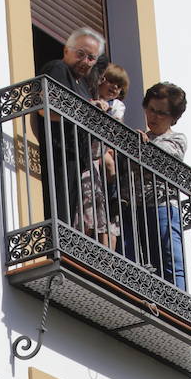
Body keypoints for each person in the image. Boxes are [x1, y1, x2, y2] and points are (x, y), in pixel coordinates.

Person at [38, 28, 105, 228]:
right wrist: (87, 108)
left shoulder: (83, 85)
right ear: (67, 50)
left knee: (66, 216)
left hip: (74, 157)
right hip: (58, 153)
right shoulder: (58, 68)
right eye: (80, 54)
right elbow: (45, 108)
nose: (85, 61)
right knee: (58, 212)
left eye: (91, 58)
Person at [125, 82, 188, 290]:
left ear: (174, 118)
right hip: (136, 208)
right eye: (151, 109)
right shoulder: (143, 137)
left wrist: (140, 146)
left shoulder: (176, 139)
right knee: (139, 260)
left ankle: (177, 303)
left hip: (161, 207)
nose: (154, 116)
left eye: (161, 113)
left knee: (170, 262)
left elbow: (159, 159)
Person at [81, 62, 130, 248]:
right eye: (111, 81)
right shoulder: (89, 97)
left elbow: (116, 124)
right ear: (100, 80)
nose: (114, 87)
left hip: (105, 147)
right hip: (93, 151)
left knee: (109, 164)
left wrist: (106, 110)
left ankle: (115, 196)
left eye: (119, 86)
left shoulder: (116, 105)